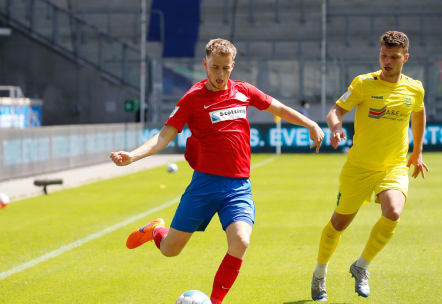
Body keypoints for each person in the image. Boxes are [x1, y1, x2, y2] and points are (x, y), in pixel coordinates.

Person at [110, 38, 324, 304]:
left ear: (232, 66)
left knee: (241, 242)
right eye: (214, 68)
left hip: (238, 187)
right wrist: (133, 155)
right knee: (170, 250)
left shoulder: (244, 90)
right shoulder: (192, 98)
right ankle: (155, 230)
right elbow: (164, 135)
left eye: (225, 68)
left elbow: (277, 107)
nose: (220, 74)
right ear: (205, 65)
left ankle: (214, 301)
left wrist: (310, 124)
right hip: (205, 185)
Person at [310, 31, 429, 301]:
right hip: (359, 168)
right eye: (384, 55)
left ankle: (361, 266)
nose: (387, 61)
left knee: (394, 211)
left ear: (405, 58)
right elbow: (335, 111)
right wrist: (336, 127)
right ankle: (319, 272)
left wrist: (418, 152)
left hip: (394, 166)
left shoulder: (415, 88)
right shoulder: (364, 83)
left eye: (394, 57)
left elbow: (419, 113)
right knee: (338, 225)